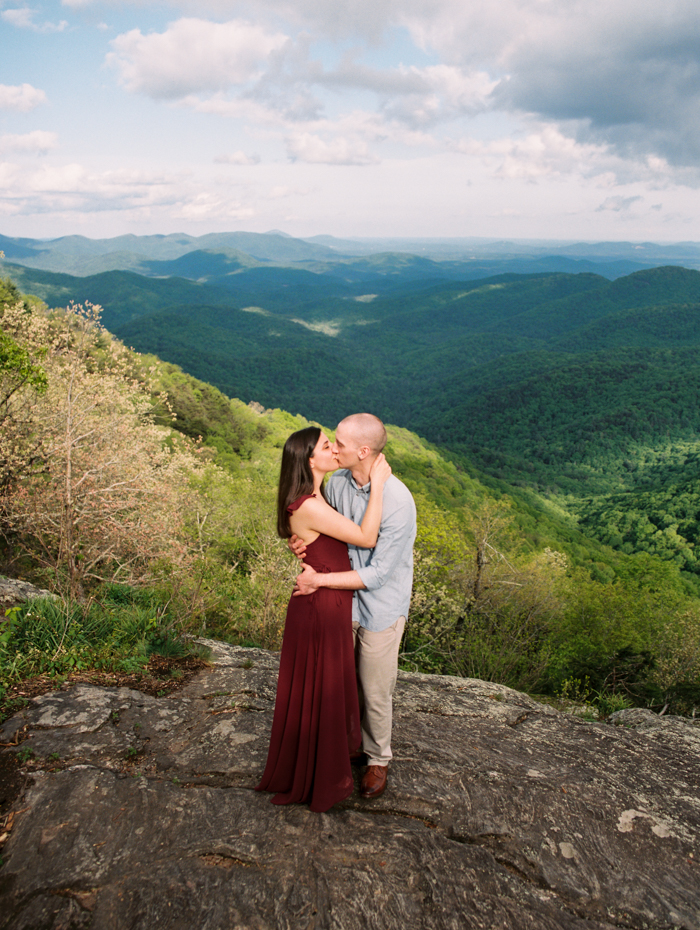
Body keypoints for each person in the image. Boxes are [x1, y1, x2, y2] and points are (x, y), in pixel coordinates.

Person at [256, 425, 391, 813]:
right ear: (309, 459)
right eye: (326, 446)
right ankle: (319, 773)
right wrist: (378, 484)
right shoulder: (311, 503)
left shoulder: (317, 496)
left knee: (321, 688)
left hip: (326, 600)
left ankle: (318, 762)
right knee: (323, 688)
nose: (334, 449)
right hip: (321, 605)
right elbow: (366, 538)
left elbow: (312, 538)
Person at [291, 413, 417, 800]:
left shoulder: (398, 501)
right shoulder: (338, 484)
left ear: (364, 451)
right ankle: (349, 744)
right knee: (346, 682)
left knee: (376, 688)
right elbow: (322, 526)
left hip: (380, 606)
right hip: (343, 604)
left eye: (339, 443)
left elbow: (378, 574)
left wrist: (319, 580)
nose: (334, 448)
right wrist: (301, 542)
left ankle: (378, 758)